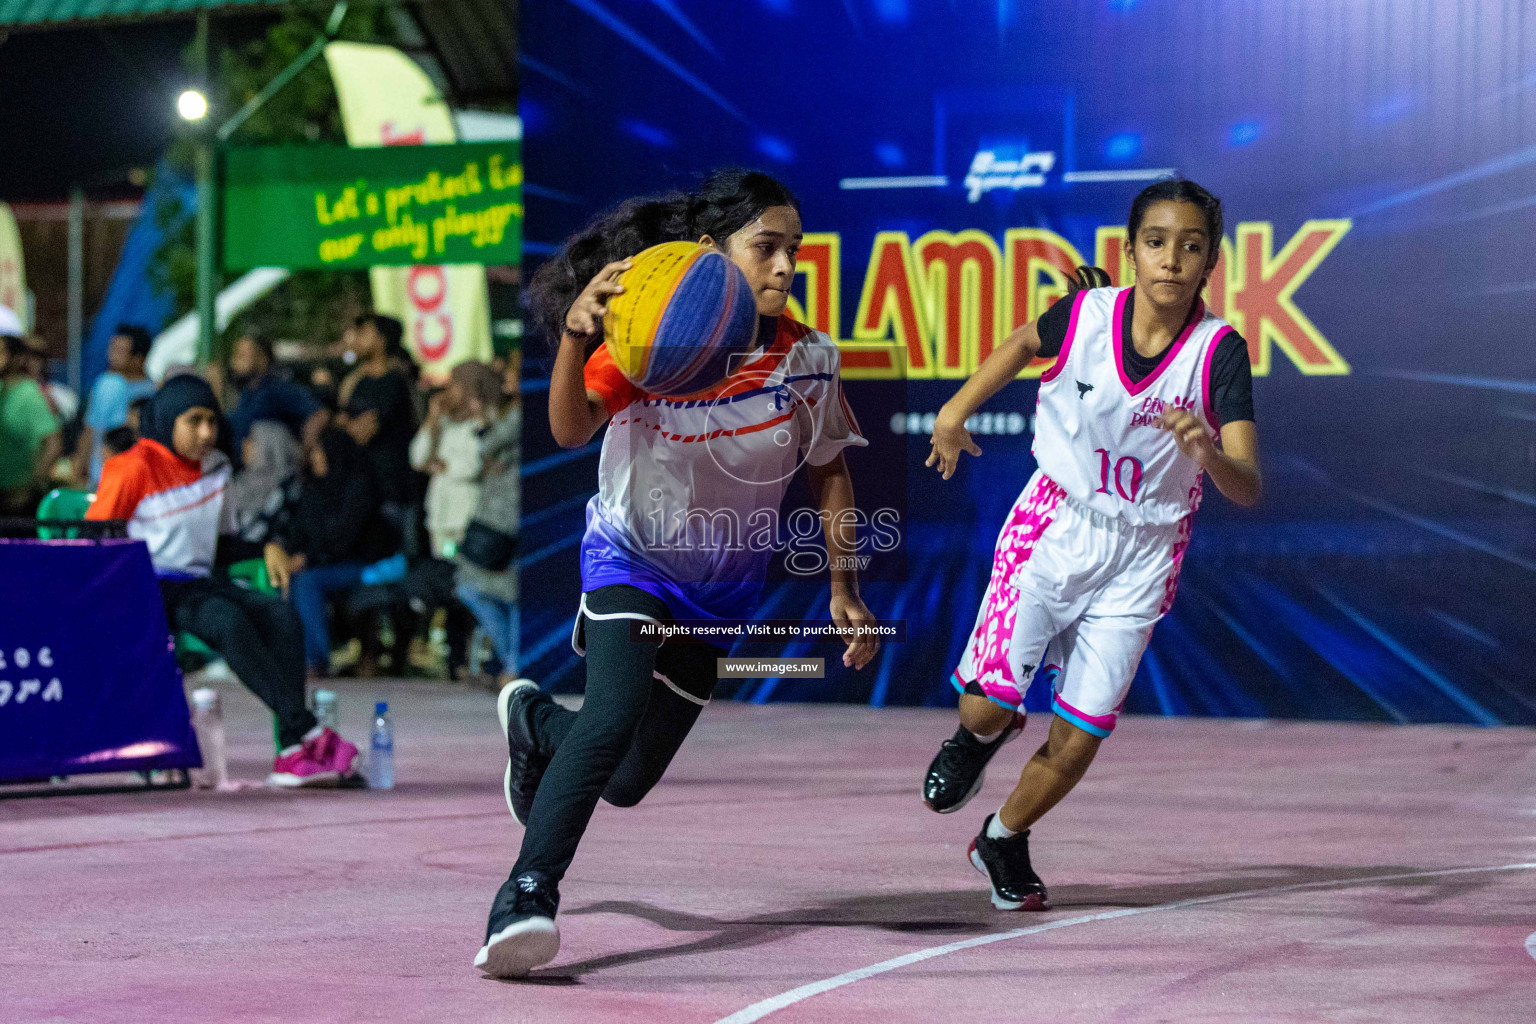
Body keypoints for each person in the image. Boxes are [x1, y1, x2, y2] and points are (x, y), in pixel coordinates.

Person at [474, 169, 880, 978]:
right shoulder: (649, 340)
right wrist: (574, 339)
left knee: (622, 779)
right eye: (766, 247)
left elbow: (830, 471)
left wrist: (845, 588)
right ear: (710, 252)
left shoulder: (808, 359)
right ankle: (525, 895)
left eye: (794, 250)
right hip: (631, 558)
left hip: (720, 591)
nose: (784, 265)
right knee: (613, 713)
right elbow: (569, 428)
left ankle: (535, 727)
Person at [920, 179, 1261, 912]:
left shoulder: (1219, 352)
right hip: (1056, 524)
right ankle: (981, 735)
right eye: (1157, 241)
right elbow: (1018, 344)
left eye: (1191, 246)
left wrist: (1209, 453)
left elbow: (1249, 485)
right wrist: (953, 411)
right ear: (1131, 250)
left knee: (1078, 739)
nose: (1172, 258)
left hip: (1143, 554)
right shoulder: (1084, 314)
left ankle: (1003, 837)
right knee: (985, 710)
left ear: (1211, 261)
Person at [86, 375, 360, 786]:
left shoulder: (217, 468)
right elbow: (97, 541)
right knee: (228, 621)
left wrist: (265, 547)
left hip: (199, 580)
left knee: (282, 616)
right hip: (147, 586)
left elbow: (222, 546)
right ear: (167, 421)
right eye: (194, 421)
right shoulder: (131, 467)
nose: (206, 433)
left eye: (212, 422)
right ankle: (308, 729)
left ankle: (291, 750)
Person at [265, 426, 399, 677]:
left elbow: (344, 540)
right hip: (322, 561)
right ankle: (287, 655)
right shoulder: (314, 488)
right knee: (283, 577)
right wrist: (288, 553)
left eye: (320, 451)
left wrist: (307, 559)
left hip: (362, 563)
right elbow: (299, 530)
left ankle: (314, 660)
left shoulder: (360, 486)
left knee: (307, 581)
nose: (314, 457)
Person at [456, 354, 523, 682]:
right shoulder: (510, 412)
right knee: (479, 587)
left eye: (510, 370)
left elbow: (491, 444)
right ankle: (511, 661)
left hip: (506, 514)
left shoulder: (523, 413)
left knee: (504, 590)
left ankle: (513, 663)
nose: (504, 375)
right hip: (492, 510)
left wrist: (484, 425)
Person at [409, 360, 502, 559]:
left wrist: (443, 465)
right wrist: (432, 419)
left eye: (455, 384)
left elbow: (473, 466)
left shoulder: (484, 422)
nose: (448, 391)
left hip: (465, 519)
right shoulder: (443, 421)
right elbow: (417, 457)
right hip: (440, 517)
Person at [336, 314, 419, 515]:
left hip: (392, 490)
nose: (357, 338)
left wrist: (344, 426)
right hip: (363, 489)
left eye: (364, 333)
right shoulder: (357, 380)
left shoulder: (394, 381)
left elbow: (364, 431)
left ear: (382, 340)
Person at [76, 324, 157, 487]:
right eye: (112, 349)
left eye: (120, 351)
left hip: (134, 482)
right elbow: (90, 429)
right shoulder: (105, 384)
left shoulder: (154, 393)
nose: (111, 356)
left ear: (139, 358)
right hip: (99, 480)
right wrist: (78, 470)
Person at [223, 331, 327, 453]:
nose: (235, 361)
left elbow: (319, 414)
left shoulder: (277, 389)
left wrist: (306, 451)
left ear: (263, 359)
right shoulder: (245, 394)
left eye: (243, 355)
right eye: (236, 355)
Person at [0, 333, 62, 515]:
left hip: (18, 501)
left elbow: (53, 443)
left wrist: (31, 486)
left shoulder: (28, 394)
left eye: (2, 352)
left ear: (16, 359)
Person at [224, 420, 303, 559]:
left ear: (269, 446)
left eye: (253, 441)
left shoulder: (286, 488)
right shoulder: (240, 480)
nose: (245, 444)